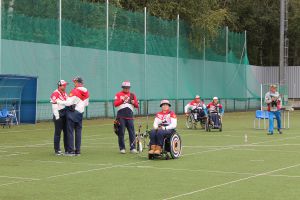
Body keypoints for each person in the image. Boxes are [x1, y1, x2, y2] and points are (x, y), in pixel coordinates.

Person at [57, 77, 89, 156]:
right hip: (80, 112)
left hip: (72, 113)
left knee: (70, 131)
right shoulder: (86, 91)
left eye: (75, 82)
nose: (74, 84)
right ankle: (77, 151)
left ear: (78, 83)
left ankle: (70, 151)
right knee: (78, 132)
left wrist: (59, 101)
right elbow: (86, 103)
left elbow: (68, 103)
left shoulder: (74, 91)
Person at [114, 81, 139, 154]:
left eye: (128, 88)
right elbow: (115, 104)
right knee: (121, 132)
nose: (126, 89)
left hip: (130, 117)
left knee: (132, 133)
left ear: (129, 88)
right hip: (121, 117)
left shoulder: (132, 95)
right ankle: (122, 148)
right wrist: (122, 100)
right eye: (125, 88)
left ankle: (133, 148)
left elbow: (137, 105)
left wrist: (134, 103)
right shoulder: (118, 94)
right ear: (122, 88)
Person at [50, 80, 68, 155]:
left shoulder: (64, 93)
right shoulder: (55, 93)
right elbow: (54, 105)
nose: (65, 86)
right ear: (60, 86)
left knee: (66, 132)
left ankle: (67, 149)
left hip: (65, 113)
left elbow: (67, 101)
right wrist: (57, 116)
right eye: (64, 85)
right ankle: (57, 150)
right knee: (58, 133)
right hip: (59, 114)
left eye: (65, 85)